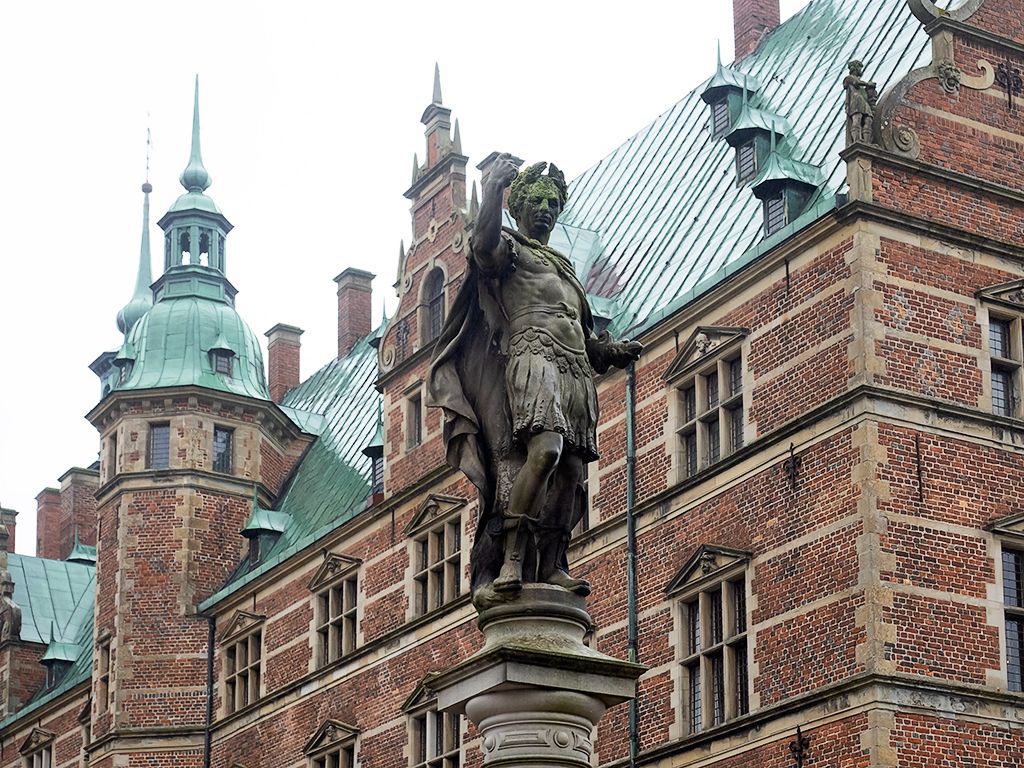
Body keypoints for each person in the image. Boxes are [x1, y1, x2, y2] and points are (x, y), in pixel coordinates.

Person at [427, 155, 641, 600]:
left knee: (571, 472)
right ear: (518, 206)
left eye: (552, 202)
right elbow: (482, 247)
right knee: (544, 451)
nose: (545, 208)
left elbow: (586, 337)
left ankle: (552, 563)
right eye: (536, 200)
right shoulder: (510, 249)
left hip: (573, 367)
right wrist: (492, 192)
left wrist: (611, 351)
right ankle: (511, 557)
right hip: (533, 355)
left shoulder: (565, 268)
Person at [844, 59, 877, 145]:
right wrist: (868, 84)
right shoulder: (848, 78)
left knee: (868, 119)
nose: (860, 70)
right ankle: (857, 140)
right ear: (855, 68)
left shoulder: (861, 86)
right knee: (857, 118)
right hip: (856, 101)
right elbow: (856, 83)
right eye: (859, 68)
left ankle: (867, 142)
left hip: (863, 102)